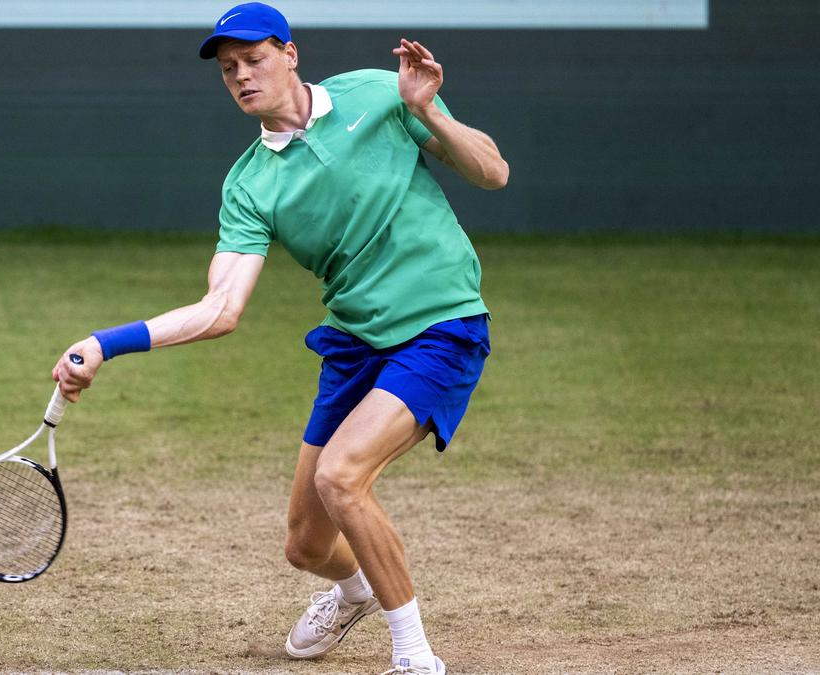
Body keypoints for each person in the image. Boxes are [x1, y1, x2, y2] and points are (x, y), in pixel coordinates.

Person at [52, 3, 508, 673]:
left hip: (441, 322)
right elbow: (220, 308)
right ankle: (354, 591)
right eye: (228, 68)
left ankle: (416, 657)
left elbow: (493, 172)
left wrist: (428, 110)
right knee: (306, 545)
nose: (241, 75)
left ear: (290, 54)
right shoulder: (250, 184)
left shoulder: (377, 94)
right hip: (356, 340)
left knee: (341, 476)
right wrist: (106, 343)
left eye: (253, 59)